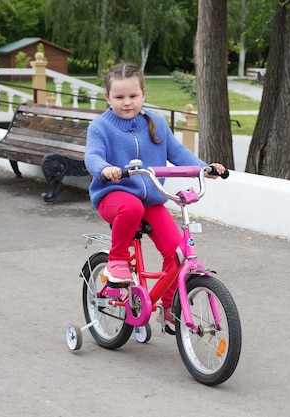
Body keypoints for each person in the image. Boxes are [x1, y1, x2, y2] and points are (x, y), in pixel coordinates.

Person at [84, 62, 225, 330]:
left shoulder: (155, 123)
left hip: (152, 200)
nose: (127, 103)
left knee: (179, 254)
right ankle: (117, 261)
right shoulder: (100, 127)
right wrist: (105, 169)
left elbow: (178, 153)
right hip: (113, 196)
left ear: (144, 94)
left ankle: (169, 306)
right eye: (119, 97)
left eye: (133, 96)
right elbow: (92, 156)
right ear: (107, 98)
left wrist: (203, 168)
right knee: (131, 206)